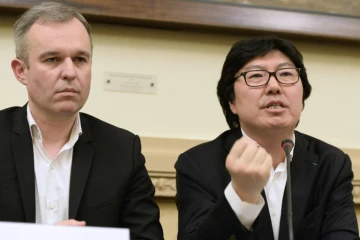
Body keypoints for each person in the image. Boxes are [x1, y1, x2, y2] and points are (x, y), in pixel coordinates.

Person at [0, 2, 163, 239]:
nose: (70, 72)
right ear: (21, 71)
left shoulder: (123, 150)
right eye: (52, 59)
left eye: (80, 59)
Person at [175, 36, 359, 240]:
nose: (274, 86)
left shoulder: (331, 163)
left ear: (303, 98)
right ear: (232, 102)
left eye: (286, 74)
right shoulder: (197, 165)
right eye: (255, 76)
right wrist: (240, 196)